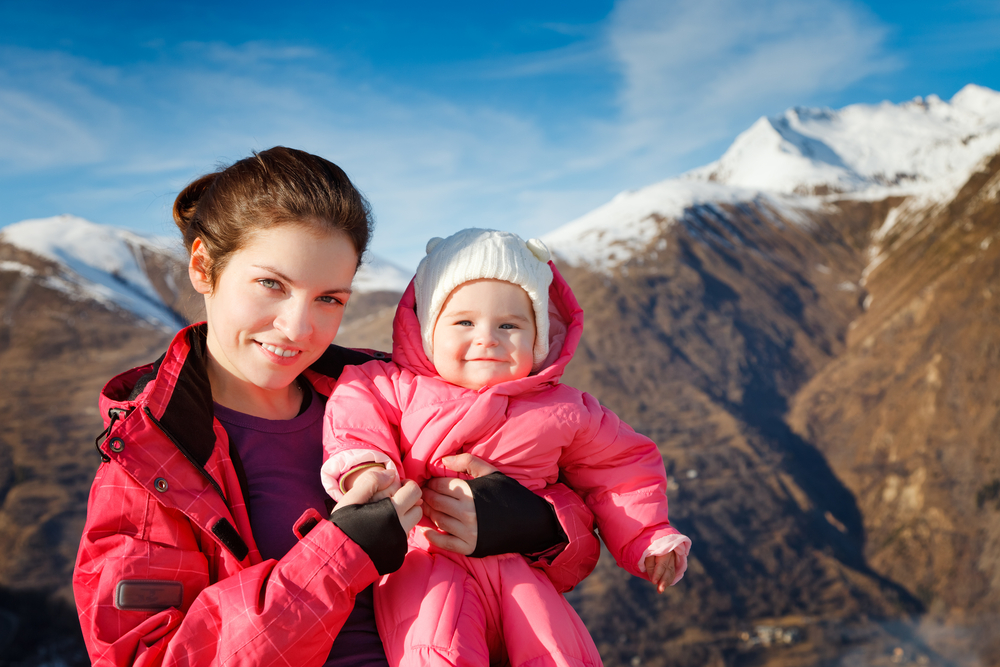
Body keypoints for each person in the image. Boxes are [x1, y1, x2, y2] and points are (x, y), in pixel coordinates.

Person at [72, 148, 601, 667]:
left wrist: (539, 525)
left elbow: (579, 530)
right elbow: (146, 657)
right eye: (271, 284)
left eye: (329, 299)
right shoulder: (153, 463)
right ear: (204, 268)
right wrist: (339, 557)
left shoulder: (382, 394)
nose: (299, 329)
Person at [321, 228, 693, 667]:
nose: (487, 338)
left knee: (554, 652)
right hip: (427, 561)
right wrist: (367, 471)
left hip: (521, 568)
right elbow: (353, 418)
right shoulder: (392, 386)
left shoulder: (564, 408)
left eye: (509, 325)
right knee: (437, 648)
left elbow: (621, 468)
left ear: (538, 337)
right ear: (425, 329)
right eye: (463, 322)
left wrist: (649, 534)